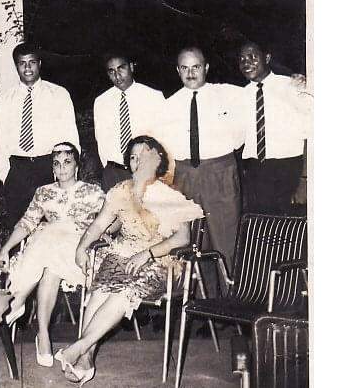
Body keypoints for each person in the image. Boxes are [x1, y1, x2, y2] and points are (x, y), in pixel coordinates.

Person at [54, 136, 203, 386]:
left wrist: (148, 254)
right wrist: (81, 247)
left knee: (124, 292)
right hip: (123, 255)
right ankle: (86, 359)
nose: (138, 162)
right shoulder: (121, 191)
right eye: (133, 157)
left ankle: (79, 346)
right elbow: (99, 224)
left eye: (143, 157)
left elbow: (183, 238)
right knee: (99, 291)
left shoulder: (169, 194)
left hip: (160, 262)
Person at [0, 142, 105, 367]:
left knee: (49, 234)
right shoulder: (43, 192)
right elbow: (26, 223)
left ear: (77, 166)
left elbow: (109, 220)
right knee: (50, 264)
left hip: (78, 253)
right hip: (49, 254)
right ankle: (43, 334)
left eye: (67, 162)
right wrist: (4, 250)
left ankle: (19, 299)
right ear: (52, 168)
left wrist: (101, 234)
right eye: (56, 163)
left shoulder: (92, 192)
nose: (62, 168)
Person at [161, 47, 244, 294]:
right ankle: (203, 302)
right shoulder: (169, 104)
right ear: (177, 70)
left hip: (219, 172)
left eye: (195, 67)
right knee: (195, 242)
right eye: (184, 68)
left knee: (226, 240)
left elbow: (242, 132)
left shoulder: (228, 94)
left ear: (206, 67)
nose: (190, 73)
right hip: (185, 176)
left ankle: (232, 301)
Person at [0, 42, 80, 231]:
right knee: (19, 228)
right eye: (22, 63)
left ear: (39, 63)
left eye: (32, 62)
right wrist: (6, 175)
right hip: (17, 170)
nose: (27, 68)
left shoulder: (58, 95)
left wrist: (65, 174)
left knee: (53, 229)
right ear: (16, 66)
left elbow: (70, 137)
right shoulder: (4, 101)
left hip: (48, 167)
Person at [237, 41, 312, 214]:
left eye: (252, 57)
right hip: (256, 171)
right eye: (242, 59)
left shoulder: (292, 86)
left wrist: (305, 179)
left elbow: (311, 134)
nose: (246, 63)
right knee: (261, 224)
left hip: (289, 169)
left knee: (289, 225)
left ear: (267, 58)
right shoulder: (241, 95)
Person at [94, 53, 166, 191]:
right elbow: (101, 141)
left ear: (131, 67)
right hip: (113, 173)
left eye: (121, 68)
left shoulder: (153, 97)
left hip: (145, 171)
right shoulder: (101, 102)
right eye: (111, 71)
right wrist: (110, 168)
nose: (117, 75)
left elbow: (163, 138)